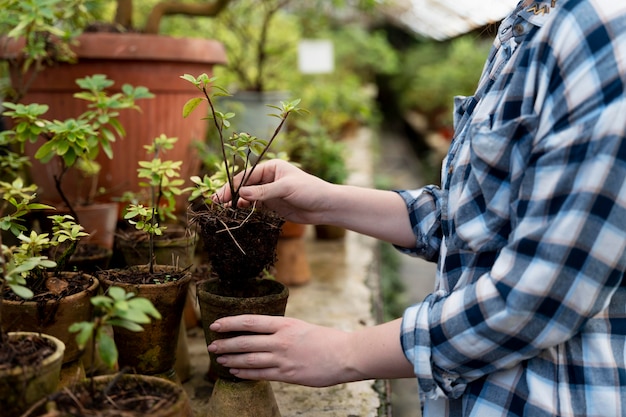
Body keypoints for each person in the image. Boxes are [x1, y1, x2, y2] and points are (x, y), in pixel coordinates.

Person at [207, 0, 626, 415]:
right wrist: (325, 201)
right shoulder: (527, 20)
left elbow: (540, 295)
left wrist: (343, 351)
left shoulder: (599, 30)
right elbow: (476, 219)